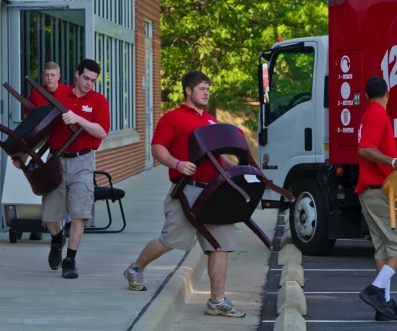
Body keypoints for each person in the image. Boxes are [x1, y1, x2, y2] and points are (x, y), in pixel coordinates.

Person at [124, 71, 246, 318]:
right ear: (188, 91)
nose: (206, 92)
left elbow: (219, 159)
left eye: (208, 89)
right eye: (202, 88)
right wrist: (177, 164)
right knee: (170, 240)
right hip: (186, 191)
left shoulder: (212, 121)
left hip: (214, 193)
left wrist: (243, 171)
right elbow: (158, 148)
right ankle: (136, 268)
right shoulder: (173, 118)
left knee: (220, 245)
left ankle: (217, 301)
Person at [13, 59, 110, 279]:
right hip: (55, 160)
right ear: (76, 74)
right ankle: (57, 240)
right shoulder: (59, 96)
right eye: (86, 78)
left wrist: (78, 119)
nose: (89, 84)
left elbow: (102, 131)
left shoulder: (98, 101)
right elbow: (40, 131)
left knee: (79, 214)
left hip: (82, 162)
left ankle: (70, 260)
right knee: (50, 215)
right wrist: (24, 155)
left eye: (93, 81)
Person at [355, 76, 397, 321]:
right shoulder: (377, 115)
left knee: (384, 250)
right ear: (388, 93)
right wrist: (393, 161)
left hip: (370, 191)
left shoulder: (368, 114)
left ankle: (384, 306)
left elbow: (366, 148)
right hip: (381, 191)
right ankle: (374, 291)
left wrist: (393, 160)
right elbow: (364, 149)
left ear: (365, 94)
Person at [24, 62, 69, 241]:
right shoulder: (36, 93)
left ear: (59, 76)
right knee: (42, 184)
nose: (49, 78)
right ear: (43, 76)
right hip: (41, 143)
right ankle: (46, 224)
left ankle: (65, 221)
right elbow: (30, 118)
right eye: (46, 75)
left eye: (53, 75)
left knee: (62, 184)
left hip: (62, 142)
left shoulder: (67, 92)